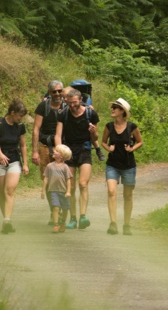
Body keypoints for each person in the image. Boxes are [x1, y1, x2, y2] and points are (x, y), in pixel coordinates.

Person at [55, 88, 100, 230]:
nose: (72, 105)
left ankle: (83, 216)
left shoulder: (90, 114)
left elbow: (95, 138)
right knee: (71, 187)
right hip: (69, 151)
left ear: (81, 100)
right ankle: (73, 218)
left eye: (75, 102)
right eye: (69, 103)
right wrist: (59, 150)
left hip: (84, 149)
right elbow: (58, 134)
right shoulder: (63, 114)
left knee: (83, 184)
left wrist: (93, 132)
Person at [101, 98, 142, 235]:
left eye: (115, 107)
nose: (112, 109)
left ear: (122, 111)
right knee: (111, 191)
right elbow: (103, 142)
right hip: (112, 165)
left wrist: (132, 149)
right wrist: (109, 149)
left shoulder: (132, 127)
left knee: (128, 195)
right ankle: (113, 223)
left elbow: (140, 142)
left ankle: (127, 224)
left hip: (128, 165)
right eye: (112, 107)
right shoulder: (109, 126)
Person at [0, 99, 29, 234]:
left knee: (9, 191)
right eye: (19, 115)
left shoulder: (20, 126)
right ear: (13, 113)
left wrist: (25, 163)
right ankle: (6, 220)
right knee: (2, 193)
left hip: (13, 159)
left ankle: (7, 220)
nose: (20, 118)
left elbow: (23, 145)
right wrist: (0, 155)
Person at [31, 80, 66, 224]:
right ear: (50, 93)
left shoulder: (67, 106)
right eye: (54, 91)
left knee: (63, 180)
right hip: (45, 146)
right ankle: (54, 211)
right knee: (48, 180)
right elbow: (36, 129)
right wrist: (34, 151)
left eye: (59, 91)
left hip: (62, 147)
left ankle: (63, 210)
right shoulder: (43, 107)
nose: (57, 94)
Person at [41, 144, 72, 233]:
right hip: (53, 191)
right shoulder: (49, 166)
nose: (54, 151)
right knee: (55, 207)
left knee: (65, 208)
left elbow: (68, 180)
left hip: (63, 191)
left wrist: (68, 191)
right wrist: (43, 190)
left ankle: (63, 223)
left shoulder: (65, 167)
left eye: (57, 151)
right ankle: (56, 225)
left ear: (62, 156)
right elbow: (46, 178)